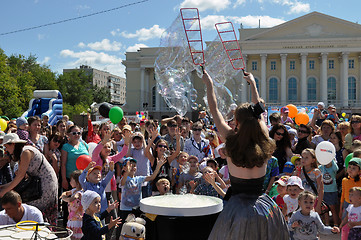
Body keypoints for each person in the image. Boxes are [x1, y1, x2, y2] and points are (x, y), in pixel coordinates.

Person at [202, 70, 289, 239]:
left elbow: (215, 111)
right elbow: (260, 111)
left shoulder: (231, 139)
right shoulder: (263, 139)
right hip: (264, 208)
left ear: (237, 121)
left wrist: (209, 85)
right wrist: (253, 84)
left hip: (237, 209)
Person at [0, 133, 58, 225]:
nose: (6, 150)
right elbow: (19, 178)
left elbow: (20, 176)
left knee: (37, 209)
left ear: (13, 144)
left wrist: (4, 191)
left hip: (45, 185)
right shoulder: (21, 154)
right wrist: (4, 187)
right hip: (38, 184)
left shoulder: (26, 152)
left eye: (6, 146)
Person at [145, 128, 180, 192]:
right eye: (160, 146)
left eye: (165, 147)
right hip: (156, 189)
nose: (162, 148)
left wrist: (177, 140)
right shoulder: (154, 160)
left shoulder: (168, 159)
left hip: (167, 188)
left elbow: (177, 152)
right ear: (156, 148)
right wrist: (152, 139)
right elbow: (146, 152)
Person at [296, 148, 324, 214]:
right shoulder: (300, 171)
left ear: (313, 160)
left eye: (306, 158)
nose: (303, 159)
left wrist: (318, 205)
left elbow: (321, 189)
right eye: (302, 157)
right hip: (301, 200)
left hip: (312, 200)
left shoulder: (316, 172)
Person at [61, 125, 89, 191]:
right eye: (74, 133)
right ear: (68, 134)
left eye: (78, 133)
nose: (77, 135)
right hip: (71, 179)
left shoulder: (84, 144)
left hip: (84, 177)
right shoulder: (65, 147)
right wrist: (64, 179)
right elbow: (63, 164)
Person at [60, 170, 84, 240]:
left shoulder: (79, 193)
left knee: (76, 237)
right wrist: (63, 194)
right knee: (71, 236)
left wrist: (64, 198)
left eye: (71, 180)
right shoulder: (74, 190)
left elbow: (71, 199)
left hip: (77, 220)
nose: (70, 182)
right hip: (71, 218)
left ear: (77, 182)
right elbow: (67, 193)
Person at [319, 159, 339, 226]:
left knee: (333, 208)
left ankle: (336, 224)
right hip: (324, 191)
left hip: (332, 191)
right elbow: (317, 168)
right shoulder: (322, 168)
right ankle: (327, 224)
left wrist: (331, 159)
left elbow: (336, 169)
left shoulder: (333, 167)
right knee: (325, 209)